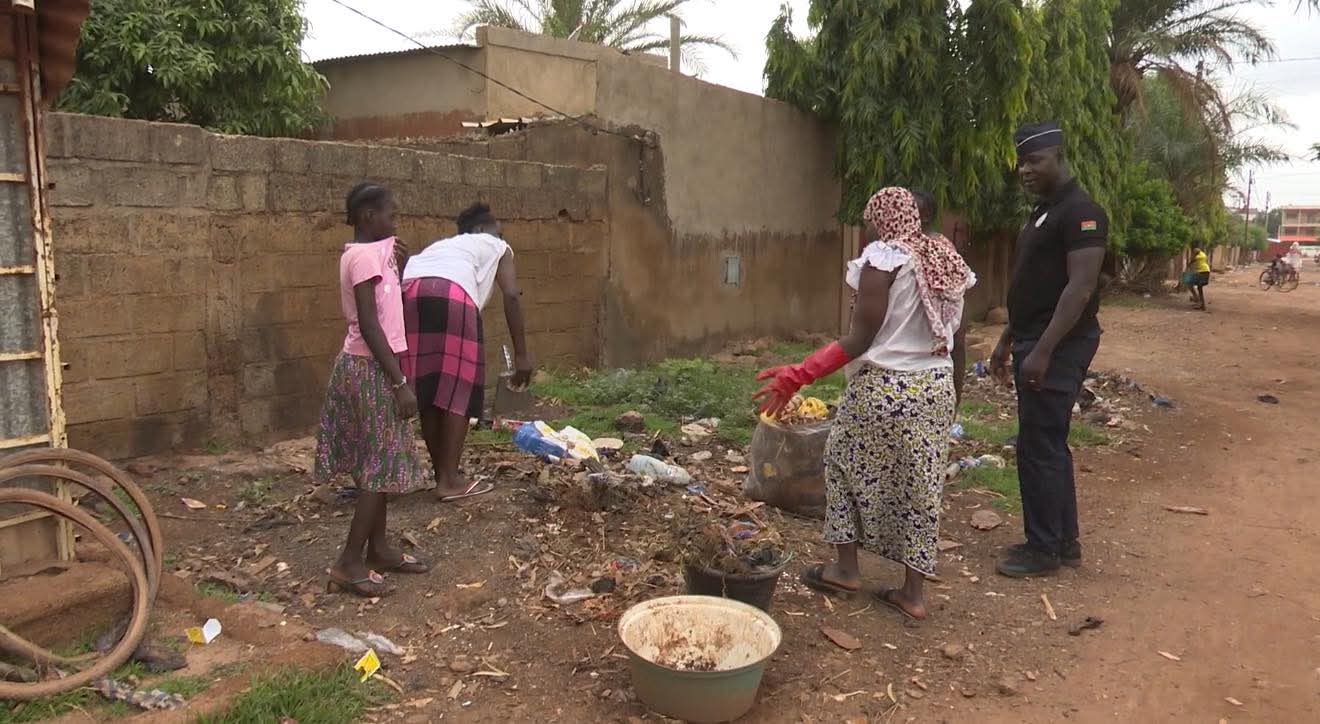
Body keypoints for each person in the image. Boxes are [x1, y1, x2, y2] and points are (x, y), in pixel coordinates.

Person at [757, 187, 974, 620]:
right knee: (922, 485)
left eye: (875, 219)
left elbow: (859, 339)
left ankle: (845, 569)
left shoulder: (884, 259)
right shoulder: (947, 260)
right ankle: (913, 594)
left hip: (884, 388)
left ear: (886, 218)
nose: (872, 227)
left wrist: (798, 374)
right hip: (934, 387)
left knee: (842, 464)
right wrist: (953, 398)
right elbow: (958, 338)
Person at [990, 122, 1107, 578]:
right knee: (1047, 441)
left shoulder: (1082, 212)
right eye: (1022, 162)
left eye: (1035, 160)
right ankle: (1063, 539)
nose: (1025, 170)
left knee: (1039, 444)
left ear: (1058, 157)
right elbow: (1031, 288)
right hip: (1033, 338)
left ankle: (1043, 549)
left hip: (1060, 343)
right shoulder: (1042, 212)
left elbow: (1079, 289)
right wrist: (1005, 341)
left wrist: (1042, 351)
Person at [316, 182, 430, 598]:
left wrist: (405, 261)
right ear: (368, 216)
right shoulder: (363, 258)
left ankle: (378, 549)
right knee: (379, 467)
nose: (394, 221)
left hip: (372, 365)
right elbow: (369, 323)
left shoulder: (372, 254)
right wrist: (398, 382)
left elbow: (387, 305)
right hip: (370, 369)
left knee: (377, 463)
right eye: (390, 215)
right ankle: (349, 561)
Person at [401, 203, 533, 501]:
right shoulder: (497, 246)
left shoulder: (442, 247)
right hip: (452, 293)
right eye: (499, 229)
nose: (502, 235)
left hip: (409, 292)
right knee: (457, 389)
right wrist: (522, 355)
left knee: (430, 389)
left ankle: (442, 474)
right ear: (482, 230)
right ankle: (449, 480)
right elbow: (511, 295)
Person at [1187, 245, 1210, 311]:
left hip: (1203, 272)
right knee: (1199, 288)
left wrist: (1188, 265)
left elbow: (1191, 262)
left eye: (1194, 253)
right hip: (1204, 272)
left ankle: (1198, 301)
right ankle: (1201, 304)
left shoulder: (1198, 257)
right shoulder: (1203, 254)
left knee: (1191, 284)